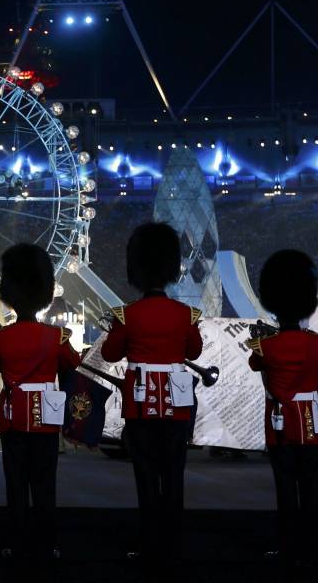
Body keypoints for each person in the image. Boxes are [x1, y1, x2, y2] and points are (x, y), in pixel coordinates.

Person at [100, 222, 203, 565]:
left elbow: (112, 354)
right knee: (174, 476)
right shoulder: (185, 313)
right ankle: (174, 542)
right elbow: (195, 349)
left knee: (145, 476)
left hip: (141, 403)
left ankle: (149, 543)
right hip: (176, 403)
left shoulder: (127, 314)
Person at [0, 243, 81, 563]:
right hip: (45, 417)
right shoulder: (57, 337)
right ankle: (46, 544)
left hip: (13, 418)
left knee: (15, 484)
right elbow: (72, 362)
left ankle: (16, 543)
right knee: (44, 484)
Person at [247, 249, 318, 565]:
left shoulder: (265, 345)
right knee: (311, 487)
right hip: (309, 421)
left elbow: (255, 363)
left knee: (285, 487)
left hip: (280, 422)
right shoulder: (317, 342)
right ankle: (312, 544)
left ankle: (288, 545)